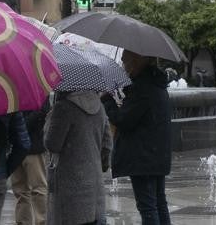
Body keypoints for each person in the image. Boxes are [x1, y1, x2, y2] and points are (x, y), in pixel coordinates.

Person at [101, 50, 172, 225]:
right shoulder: (155, 83)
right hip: (155, 154)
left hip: (143, 157)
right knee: (159, 203)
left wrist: (107, 100)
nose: (124, 66)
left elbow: (124, 120)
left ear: (138, 61)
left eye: (126, 62)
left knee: (148, 207)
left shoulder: (143, 88)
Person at [44, 91, 112, 225]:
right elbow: (107, 144)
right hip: (94, 185)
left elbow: (52, 145)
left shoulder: (63, 108)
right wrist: (102, 164)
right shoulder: (99, 107)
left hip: (68, 187)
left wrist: (48, 123)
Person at [11, 99, 50, 225]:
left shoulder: (37, 85)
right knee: (20, 191)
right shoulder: (11, 85)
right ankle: (23, 222)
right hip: (15, 148)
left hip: (33, 147)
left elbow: (43, 111)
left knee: (38, 188)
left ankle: (42, 222)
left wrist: (20, 125)